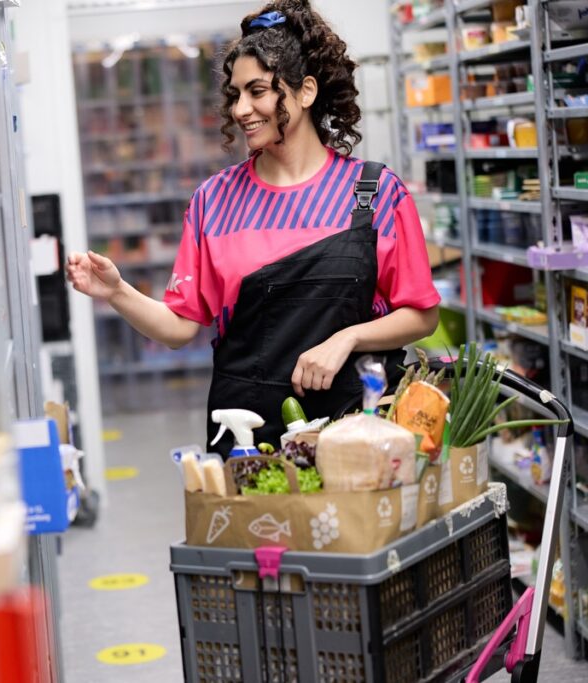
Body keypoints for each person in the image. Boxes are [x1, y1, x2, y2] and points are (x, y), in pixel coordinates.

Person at [66, 0, 440, 457]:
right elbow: (181, 326)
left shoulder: (376, 193)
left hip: (358, 434)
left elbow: (422, 315)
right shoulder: (215, 202)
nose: (241, 109)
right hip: (247, 436)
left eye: (257, 91)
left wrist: (349, 337)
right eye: (235, 94)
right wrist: (116, 292)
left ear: (305, 91)